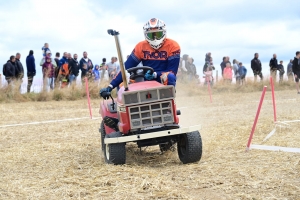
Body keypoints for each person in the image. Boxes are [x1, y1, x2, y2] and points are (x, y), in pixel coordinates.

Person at [100, 18, 180, 98]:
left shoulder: (173, 46)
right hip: (145, 79)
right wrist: (110, 86)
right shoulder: (141, 47)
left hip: (161, 78)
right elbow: (125, 68)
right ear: (146, 35)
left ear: (164, 33)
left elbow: (172, 71)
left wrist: (155, 74)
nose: (155, 38)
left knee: (170, 77)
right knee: (123, 83)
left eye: (158, 35)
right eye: (151, 35)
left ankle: (169, 102)